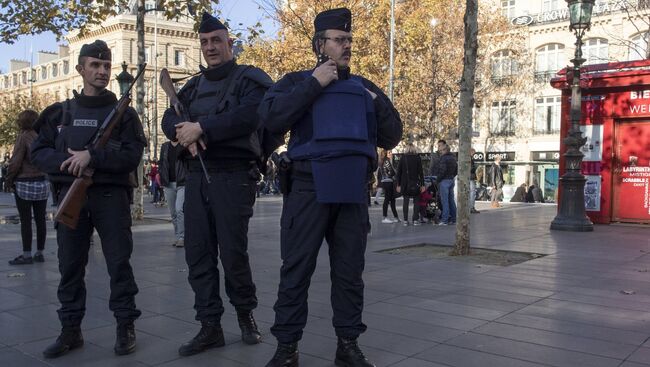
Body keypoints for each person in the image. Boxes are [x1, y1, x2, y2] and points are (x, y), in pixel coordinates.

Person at [258, 7, 402, 367]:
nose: (347, 45)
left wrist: (376, 101)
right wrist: (314, 84)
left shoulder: (364, 87)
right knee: (296, 271)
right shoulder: (295, 81)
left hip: (352, 191)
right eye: (340, 40)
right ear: (320, 44)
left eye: (349, 40)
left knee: (349, 273)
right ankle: (287, 348)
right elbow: (271, 119)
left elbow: (392, 134)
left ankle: (348, 345)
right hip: (308, 189)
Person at [161, 12, 273, 356]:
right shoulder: (193, 85)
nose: (211, 48)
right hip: (197, 178)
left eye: (217, 41)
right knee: (198, 255)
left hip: (233, 177)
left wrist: (203, 128)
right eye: (205, 42)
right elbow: (169, 116)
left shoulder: (249, 78)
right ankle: (209, 326)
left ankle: (245, 317)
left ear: (230, 44)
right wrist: (182, 132)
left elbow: (252, 114)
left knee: (233, 254)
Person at [30, 40, 146, 358]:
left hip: (111, 197)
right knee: (70, 267)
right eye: (94, 65)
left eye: (106, 65)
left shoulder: (124, 114)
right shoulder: (58, 113)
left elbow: (132, 154)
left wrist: (91, 156)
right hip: (71, 196)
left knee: (119, 265)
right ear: (80, 69)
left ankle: (125, 326)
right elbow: (38, 152)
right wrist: (68, 163)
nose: (102, 71)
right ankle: (70, 332)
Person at [5, 110, 49, 265]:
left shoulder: (23, 136)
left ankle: (27, 254)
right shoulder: (42, 136)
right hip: (42, 183)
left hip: (25, 183)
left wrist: (9, 179)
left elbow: (16, 161)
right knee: (40, 219)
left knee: (26, 220)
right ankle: (40, 252)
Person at [159, 140, 186, 247]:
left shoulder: (184, 144)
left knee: (179, 209)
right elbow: (162, 163)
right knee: (173, 213)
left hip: (182, 183)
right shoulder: (165, 146)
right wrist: (162, 178)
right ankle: (178, 235)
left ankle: (182, 237)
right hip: (168, 183)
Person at [396, 143, 424, 226]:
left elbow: (399, 173)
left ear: (406, 149)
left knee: (406, 201)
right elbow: (421, 173)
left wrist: (398, 184)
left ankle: (405, 220)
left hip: (405, 184)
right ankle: (415, 220)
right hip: (416, 183)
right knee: (416, 201)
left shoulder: (403, 158)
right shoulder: (418, 158)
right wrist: (422, 184)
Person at [436, 144, 457, 225]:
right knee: (451, 200)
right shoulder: (453, 158)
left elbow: (442, 171)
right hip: (451, 180)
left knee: (445, 201)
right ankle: (454, 218)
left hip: (444, 181)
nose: (440, 152)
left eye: (441, 150)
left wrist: (438, 179)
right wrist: (452, 176)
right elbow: (456, 170)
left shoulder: (443, 158)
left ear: (445, 150)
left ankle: (445, 220)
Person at [379, 149, 399, 223]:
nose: (391, 154)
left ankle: (396, 217)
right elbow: (392, 172)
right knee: (387, 199)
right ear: (386, 153)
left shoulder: (382, 161)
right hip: (388, 182)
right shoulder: (386, 161)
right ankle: (384, 217)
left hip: (386, 182)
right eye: (389, 152)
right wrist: (395, 173)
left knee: (391, 199)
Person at [469, 148, 480, 214]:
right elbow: (470, 168)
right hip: (470, 178)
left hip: (470, 177)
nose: (474, 155)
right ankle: (471, 207)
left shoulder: (470, 159)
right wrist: (475, 167)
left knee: (471, 193)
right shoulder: (469, 159)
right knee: (472, 193)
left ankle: (470, 207)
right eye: (474, 153)